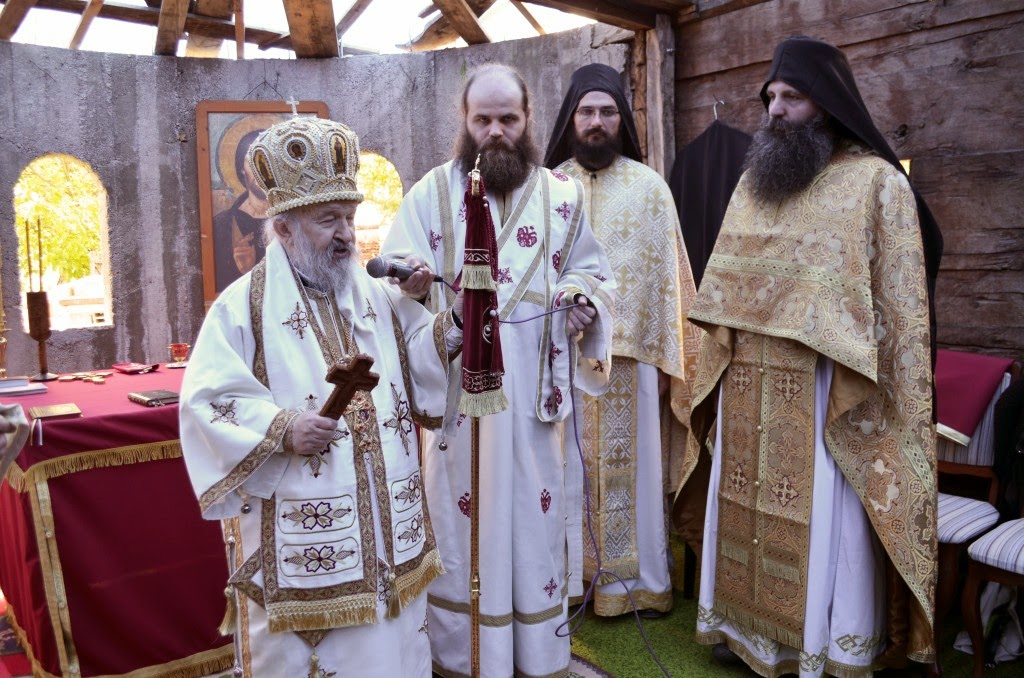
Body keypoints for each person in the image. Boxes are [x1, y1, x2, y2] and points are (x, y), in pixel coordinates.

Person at [682, 36, 942, 675]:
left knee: (827, 516)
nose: (775, 109)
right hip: (747, 382)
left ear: (827, 103)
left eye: (791, 97)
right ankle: (746, 634)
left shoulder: (876, 183)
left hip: (827, 387)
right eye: (770, 96)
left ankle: (820, 646)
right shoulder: (755, 183)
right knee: (742, 504)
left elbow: (899, 301)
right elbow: (726, 289)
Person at [179, 115, 462, 677]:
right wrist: (283, 428)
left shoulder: (376, 295)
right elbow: (207, 402)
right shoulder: (243, 307)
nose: (346, 234)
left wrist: (452, 325)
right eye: (327, 220)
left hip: (391, 532)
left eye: (350, 218)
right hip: (311, 536)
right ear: (283, 228)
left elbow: (415, 360)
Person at [380, 63, 615, 678]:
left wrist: (579, 300)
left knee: (534, 519)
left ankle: (536, 655)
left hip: (532, 399)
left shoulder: (563, 195)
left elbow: (590, 270)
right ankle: (463, 657)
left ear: (528, 119)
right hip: (458, 401)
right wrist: (413, 285)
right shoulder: (429, 195)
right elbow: (394, 286)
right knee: (458, 525)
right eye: (482, 119)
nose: (495, 132)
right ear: (464, 120)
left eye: (507, 118)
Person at [543, 63, 702, 618]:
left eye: (607, 112)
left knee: (633, 480)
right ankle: (567, 583)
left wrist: (669, 362)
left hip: (633, 366)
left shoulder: (650, 188)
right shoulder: (548, 189)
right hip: (561, 357)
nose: (596, 121)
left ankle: (635, 586)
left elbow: (671, 283)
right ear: (571, 119)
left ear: (622, 120)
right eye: (586, 111)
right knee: (564, 473)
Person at [213, 129, 270, 291]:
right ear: (241, 168)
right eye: (253, 161)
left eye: (268, 160)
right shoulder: (222, 224)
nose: (262, 170)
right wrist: (243, 271)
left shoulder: (295, 218)